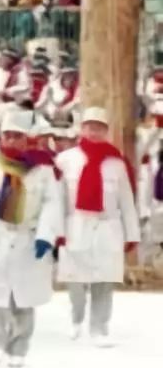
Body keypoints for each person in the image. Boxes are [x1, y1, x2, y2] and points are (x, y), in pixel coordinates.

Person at [0, 111, 63, 367]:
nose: (11, 140)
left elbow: (52, 204)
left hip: (25, 238)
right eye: (7, 135)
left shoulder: (42, 170)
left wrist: (46, 236)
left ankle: (19, 347)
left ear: (26, 139)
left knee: (23, 298)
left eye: (17, 136)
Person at [56, 107, 140, 346]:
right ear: (82, 129)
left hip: (107, 226)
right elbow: (57, 199)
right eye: (90, 127)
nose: (94, 132)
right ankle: (77, 318)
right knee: (75, 279)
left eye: (99, 128)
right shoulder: (66, 160)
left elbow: (126, 200)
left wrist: (131, 233)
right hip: (76, 224)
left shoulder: (116, 163)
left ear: (106, 131)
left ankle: (99, 327)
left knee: (104, 279)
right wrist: (57, 231)